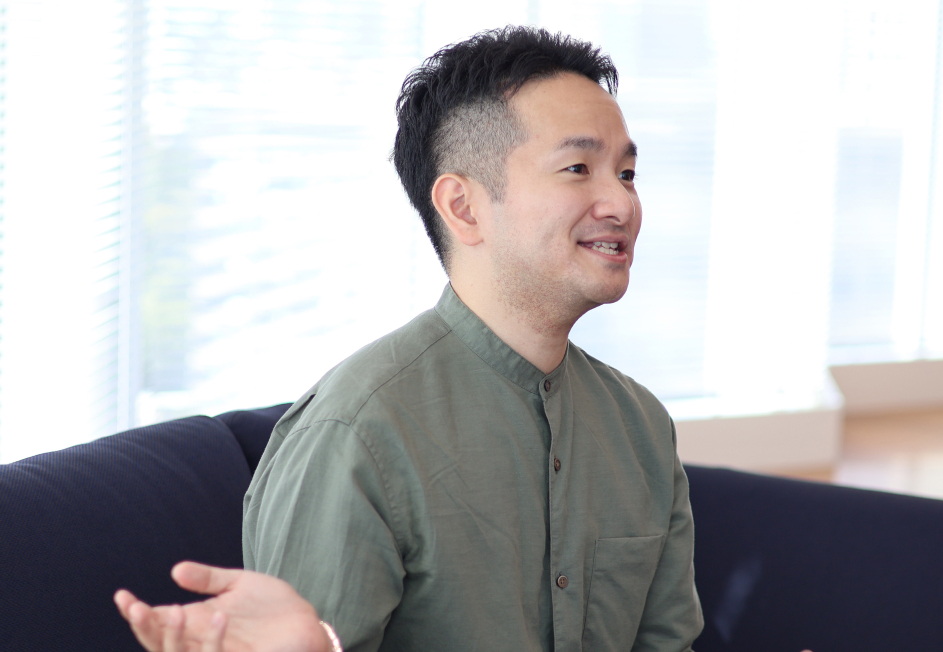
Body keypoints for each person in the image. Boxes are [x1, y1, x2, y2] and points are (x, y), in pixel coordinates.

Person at [117, 25, 702, 652]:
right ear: (464, 207)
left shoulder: (639, 423)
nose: (620, 202)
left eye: (628, 172)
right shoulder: (356, 434)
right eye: (579, 168)